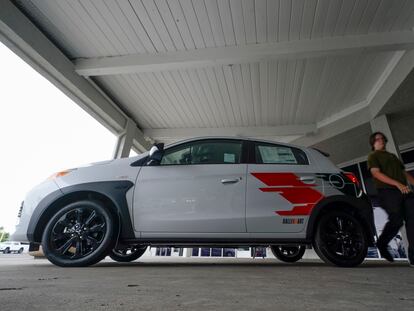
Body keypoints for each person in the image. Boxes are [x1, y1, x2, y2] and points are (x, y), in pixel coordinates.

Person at [367, 131, 414, 266]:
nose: (381, 141)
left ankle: (413, 256)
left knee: (412, 221)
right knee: (397, 220)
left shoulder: (392, 156)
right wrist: (397, 184)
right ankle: (382, 243)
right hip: (387, 192)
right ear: (373, 143)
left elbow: (404, 173)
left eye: (382, 139)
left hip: (404, 191)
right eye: (377, 139)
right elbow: (376, 174)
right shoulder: (373, 156)